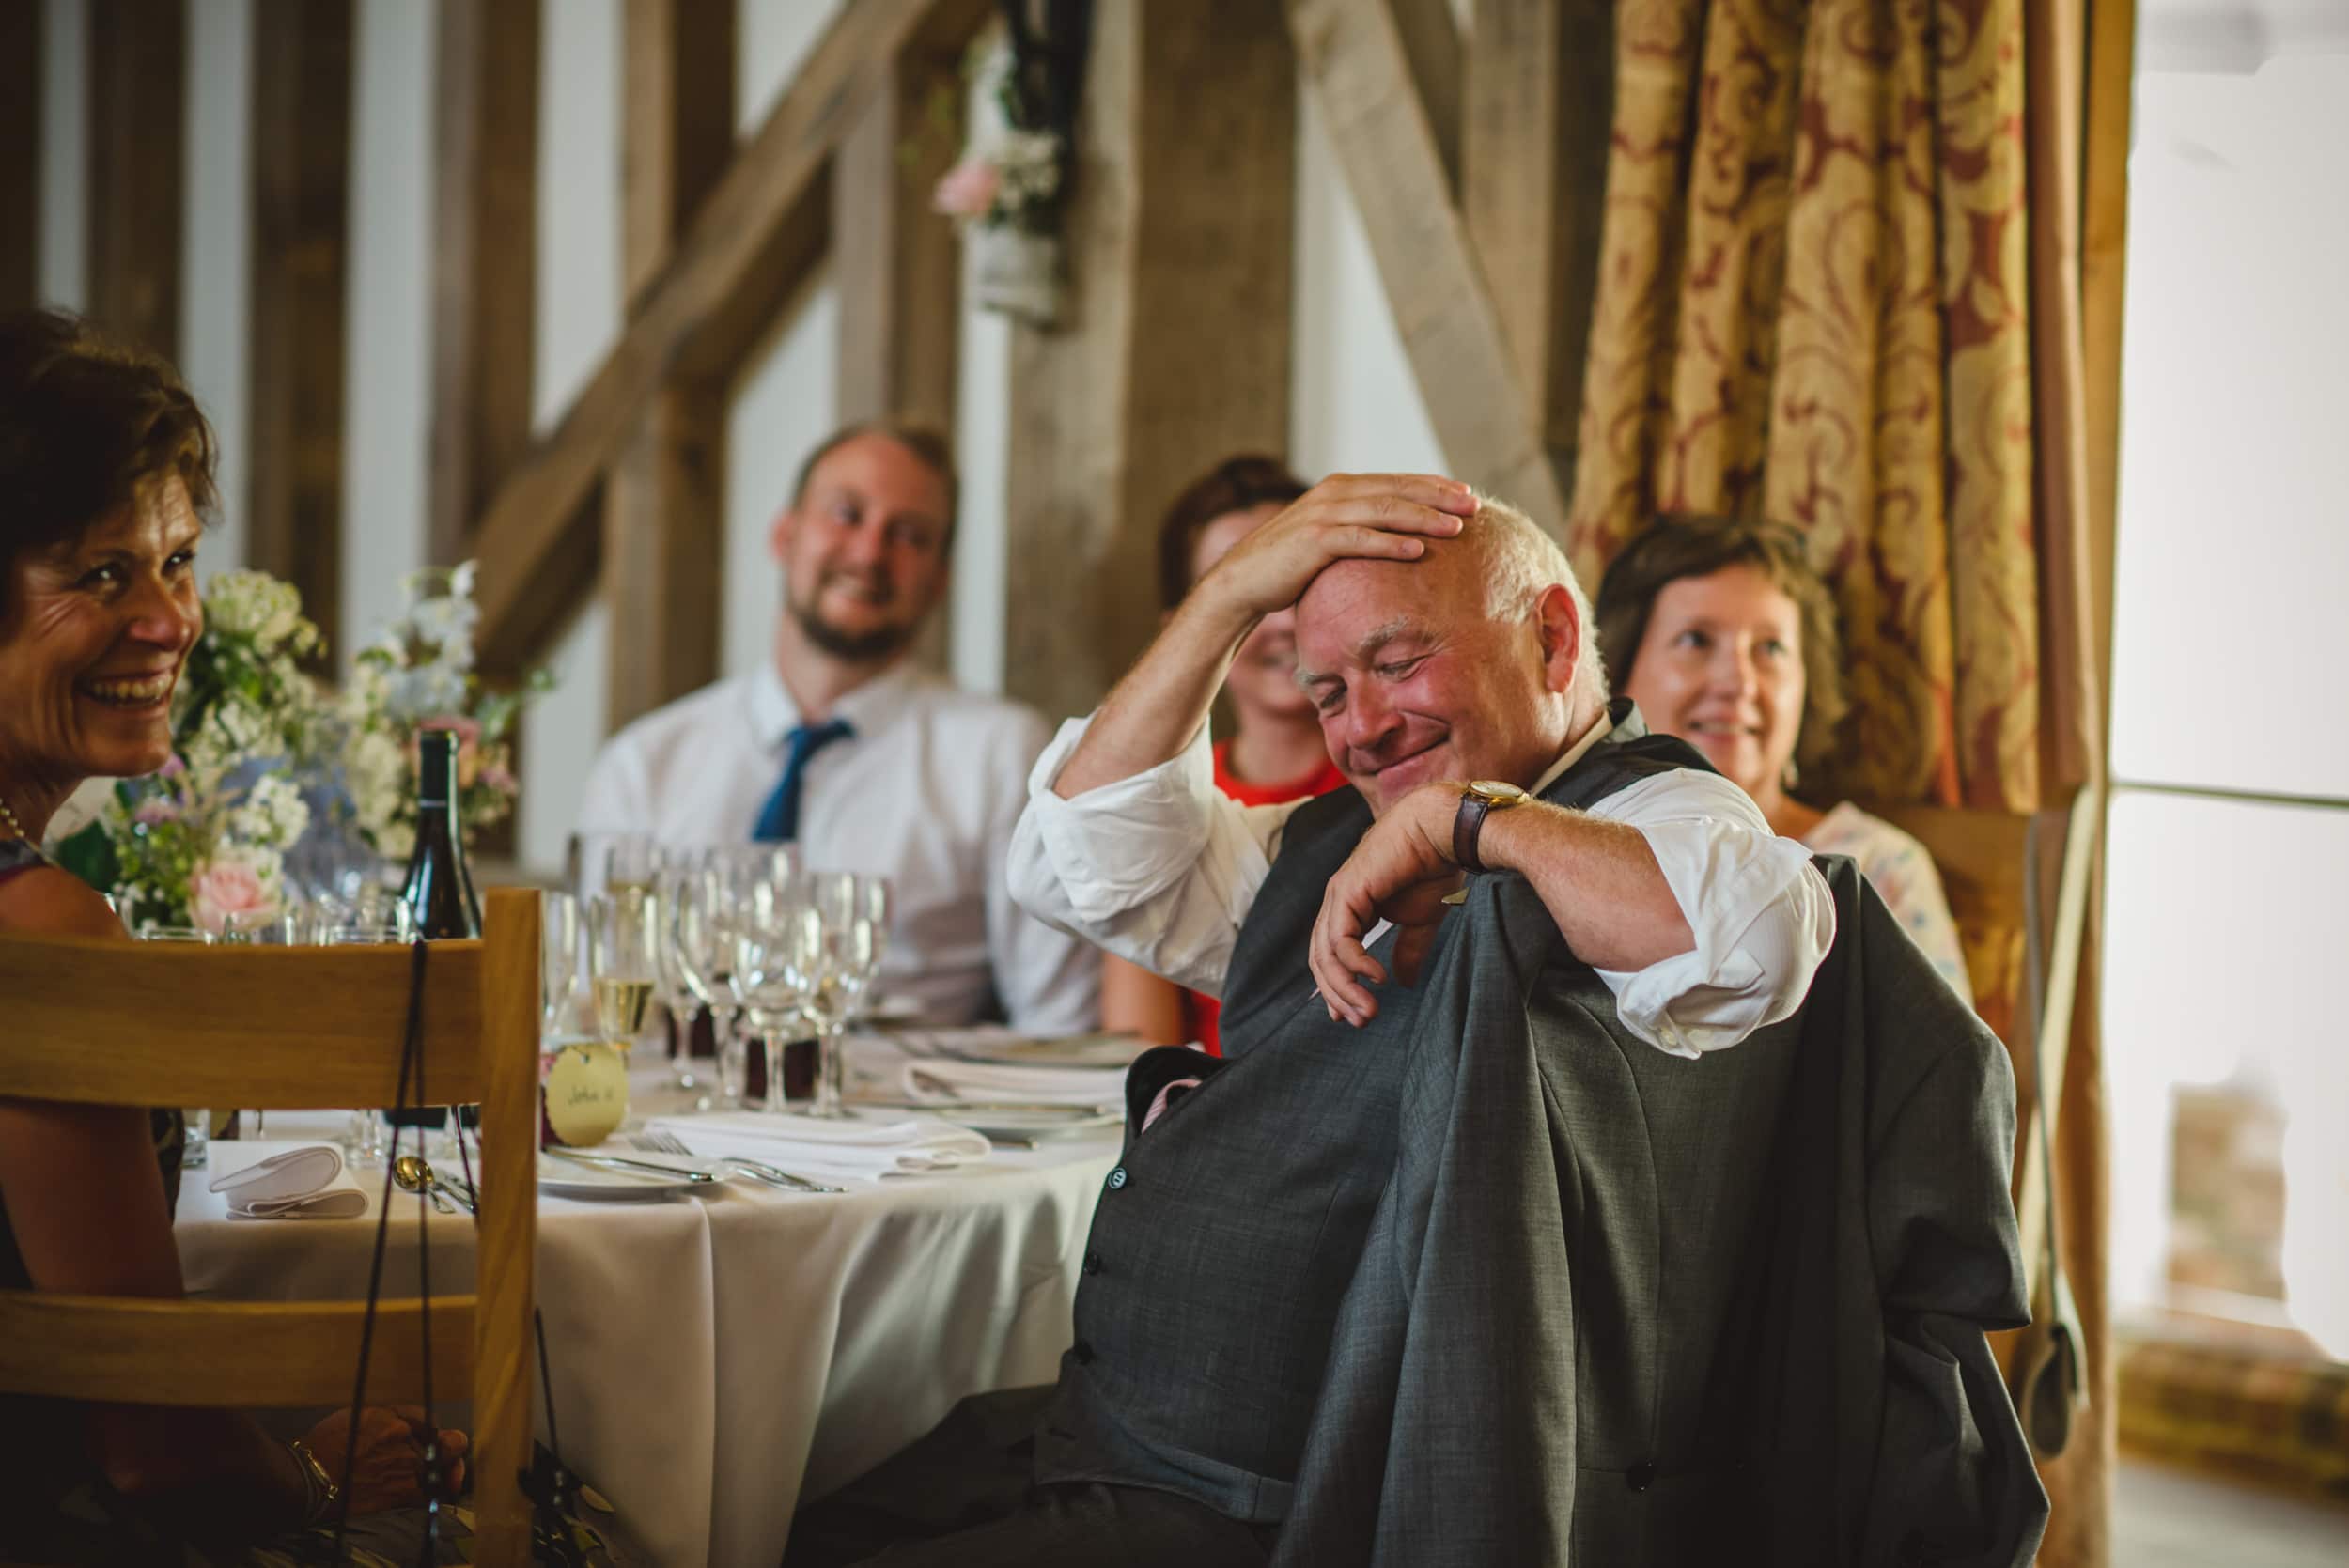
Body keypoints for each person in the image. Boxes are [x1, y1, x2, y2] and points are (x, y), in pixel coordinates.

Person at [781, 475, 1847, 1567]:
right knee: (796, 1525)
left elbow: (1760, 935)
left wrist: (1471, 821)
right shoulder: (1324, 834)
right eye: (1329, 690)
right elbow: (1077, 866)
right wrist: (1229, 595)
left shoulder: (1653, 807)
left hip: (1313, 1503)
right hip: (1124, 1437)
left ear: (1554, 639)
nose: (1365, 727)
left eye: (1396, 663)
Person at [0, 307, 467, 1563]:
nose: (170, 620)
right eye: (103, 573)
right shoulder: (37, 925)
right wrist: (316, 1478)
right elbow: (158, 1452)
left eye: (179, 560)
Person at [576, 423, 1097, 1032]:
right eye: (846, 514)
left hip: (910, 1115)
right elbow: (599, 1013)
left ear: (939, 578)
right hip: (675, 1113)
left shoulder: (1003, 755)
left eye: (910, 535)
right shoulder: (644, 762)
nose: (870, 551)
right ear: (784, 534)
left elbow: (1060, 1025)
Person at [1595, 514, 1975, 1003]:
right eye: (1696, 640)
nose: (1739, 683)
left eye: (1770, 648)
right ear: (1620, 673)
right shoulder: (1572, 846)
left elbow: (1947, 1073)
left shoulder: (1878, 872)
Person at [1099, 456, 1346, 1054]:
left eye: (1296, 584)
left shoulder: (1400, 780)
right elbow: (1140, 1052)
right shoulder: (1163, 802)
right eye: (1246, 597)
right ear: (1183, 633)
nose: (1282, 622)